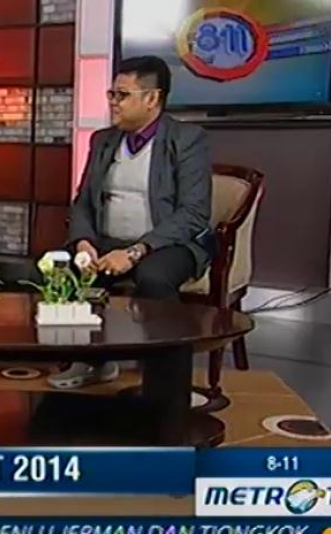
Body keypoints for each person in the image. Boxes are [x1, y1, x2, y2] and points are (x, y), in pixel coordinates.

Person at [49, 55, 213, 390]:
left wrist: (136, 251)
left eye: (122, 95)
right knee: (62, 271)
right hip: (107, 241)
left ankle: (166, 382)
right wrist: (83, 242)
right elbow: (83, 201)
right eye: (111, 94)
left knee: (154, 277)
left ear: (152, 98)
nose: (113, 102)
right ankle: (91, 362)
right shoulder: (103, 140)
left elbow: (194, 213)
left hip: (167, 244)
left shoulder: (186, 140)